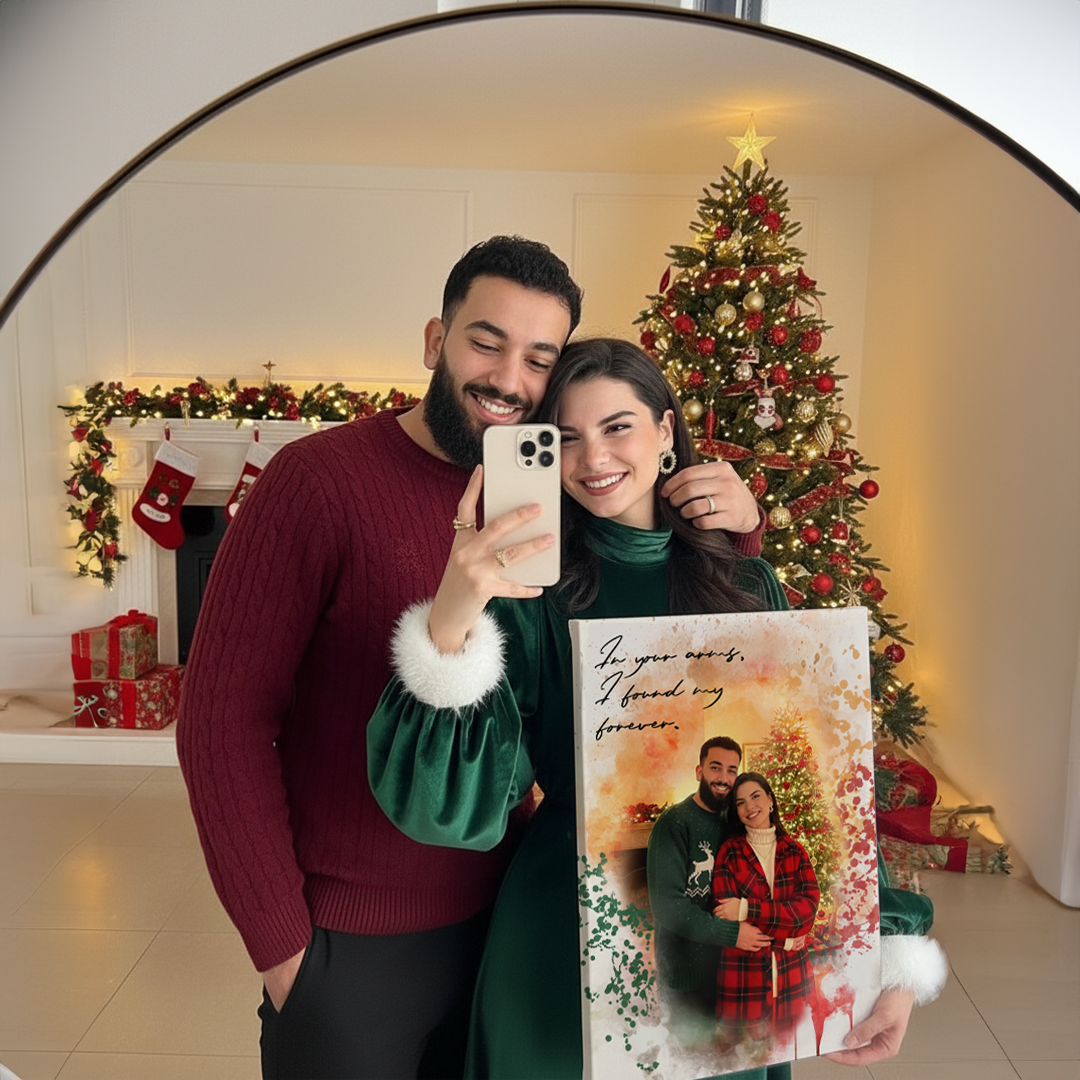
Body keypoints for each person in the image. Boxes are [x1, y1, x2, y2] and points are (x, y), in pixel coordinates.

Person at [177, 239, 765, 1080]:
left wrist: (734, 527)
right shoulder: (316, 480)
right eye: (485, 341)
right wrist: (282, 948)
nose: (508, 379)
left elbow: (656, 616)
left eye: (539, 358)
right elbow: (220, 722)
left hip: (508, 920)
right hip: (352, 941)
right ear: (434, 341)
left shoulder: (551, 494)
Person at [367, 337, 787, 1080]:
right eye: (563, 436)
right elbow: (452, 803)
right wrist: (453, 619)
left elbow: (803, 760)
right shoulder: (534, 593)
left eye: (618, 426)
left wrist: (876, 944)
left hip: (718, 913)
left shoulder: (750, 582)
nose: (592, 457)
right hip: (565, 915)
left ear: (665, 431)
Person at [712, 773, 819, 1050]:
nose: (750, 807)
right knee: (744, 1059)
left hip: (793, 977)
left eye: (756, 796)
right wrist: (786, 938)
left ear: (770, 800)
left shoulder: (795, 852)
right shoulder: (730, 852)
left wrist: (746, 908)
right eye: (740, 802)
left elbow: (805, 915)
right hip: (743, 978)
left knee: (786, 1056)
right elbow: (726, 914)